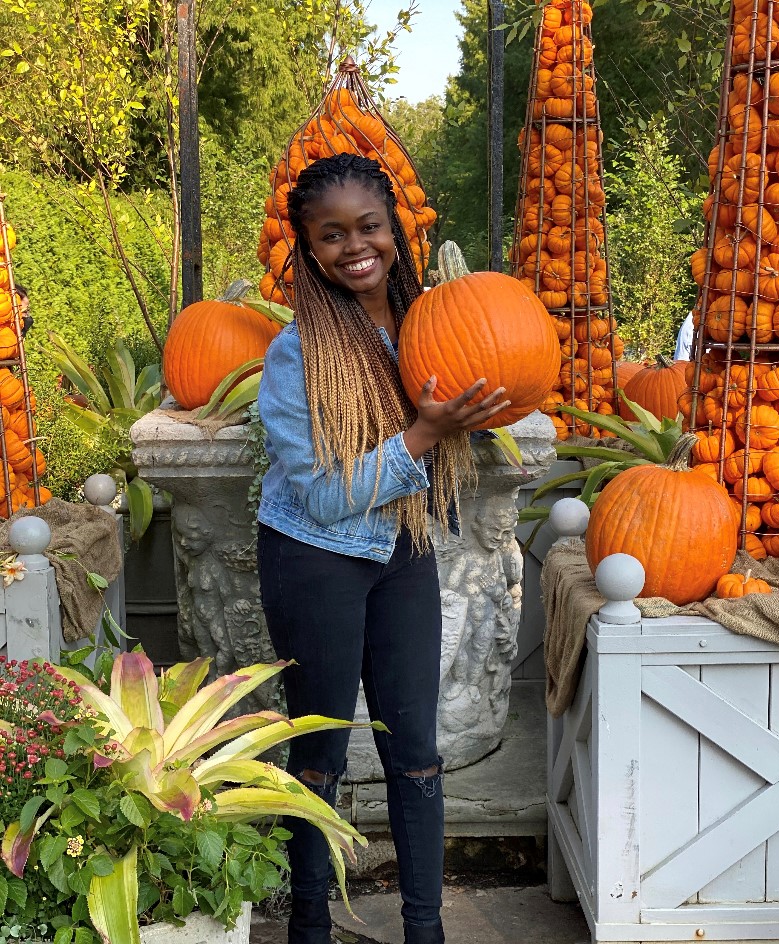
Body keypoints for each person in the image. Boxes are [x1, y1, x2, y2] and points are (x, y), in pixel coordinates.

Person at [256, 153, 510, 944]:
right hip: (314, 557)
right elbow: (326, 493)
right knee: (320, 753)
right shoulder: (298, 354)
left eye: (368, 226)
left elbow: (498, 363)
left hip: (402, 548)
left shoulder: (433, 322)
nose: (353, 246)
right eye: (330, 235)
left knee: (418, 752)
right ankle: (309, 928)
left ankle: (425, 931)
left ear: (395, 230)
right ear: (306, 247)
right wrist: (427, 431)